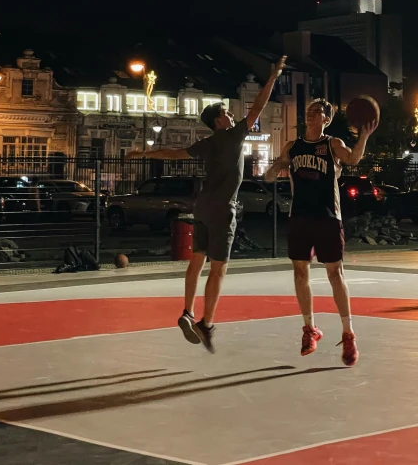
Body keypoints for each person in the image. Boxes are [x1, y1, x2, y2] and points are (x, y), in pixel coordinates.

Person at [129, 56, 286, 353]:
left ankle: (187, 310)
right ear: (220, 121)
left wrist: (142, 154)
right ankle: (206, 322)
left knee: (197, 260)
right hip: (223, 210)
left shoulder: (207, 143)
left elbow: (174, 154)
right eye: (227, 113)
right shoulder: (232, 135)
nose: (231, 115)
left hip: (201, 208)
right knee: (219, 269)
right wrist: (274, 76)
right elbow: (258, 106)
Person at [264, 97, 378, 366]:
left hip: (327, 216)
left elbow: (353, 159)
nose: (312, 114)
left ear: (326, 119)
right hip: (300, 216)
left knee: (334, 273)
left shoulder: (332, 144)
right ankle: (309, 329)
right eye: (310, 111)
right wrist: (275, 168)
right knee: (300, 271)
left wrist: (363, 136)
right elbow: (273, 172)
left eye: (318, 112)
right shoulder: (293, 146)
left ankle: (348, 333)